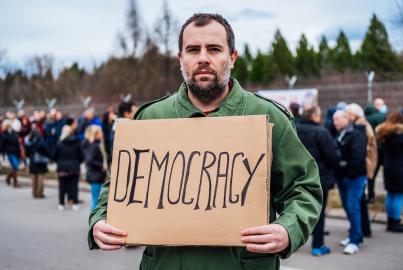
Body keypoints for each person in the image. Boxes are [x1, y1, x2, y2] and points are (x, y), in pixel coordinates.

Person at [88, 13, 322, 270]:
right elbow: (119, 187)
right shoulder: (151, 117)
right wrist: (99, 220)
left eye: (213, 49)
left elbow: (303, 188)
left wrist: (287, 229)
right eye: (192, 50)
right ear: (181, 59)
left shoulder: (268, 117)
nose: (202, 58)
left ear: (232, 57)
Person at [296, 106, 340, 256]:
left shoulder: (294, 128)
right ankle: (317, 245)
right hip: (319, 178)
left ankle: (293, 242)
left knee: (295, 209)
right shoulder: (321, 132)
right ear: (314, 116)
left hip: (297, 176)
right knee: (318, 212)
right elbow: (333, 156)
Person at [333, 110, 367, 255]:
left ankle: (354, 242)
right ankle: (356, 235)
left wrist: (342, 166)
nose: (335, 122)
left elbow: (358, 158)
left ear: (347, 119)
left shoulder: (357, 134)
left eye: (337, 119)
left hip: (354, 178)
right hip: (342, 178)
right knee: (348, 208)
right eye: (334, 120)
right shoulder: (339, 133)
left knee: (353, 208)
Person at [346, 103, 378, 237]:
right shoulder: (359, 124)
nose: (347, 116)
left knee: (360, 202)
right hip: (362, 166)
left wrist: (369, 167)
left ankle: (363, 230)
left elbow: (371, 148)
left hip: (362, 166)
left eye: (348, 113)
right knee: (360, 201)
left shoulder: (362, 125)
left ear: (354, 115)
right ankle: (363, 229)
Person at [376, 112, 403, 232]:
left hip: (387, 167)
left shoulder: (384, 134)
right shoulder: (400, 135)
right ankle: (396, 223)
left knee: (390, 194)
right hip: (399, 167)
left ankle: (390, 222)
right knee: (398, 195)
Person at [53, 124, 84, 211]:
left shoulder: (59, 143)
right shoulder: (77, 143)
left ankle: (61, 203)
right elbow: (82, 156)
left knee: (62, 186)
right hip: (74, 168)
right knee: (74, 186)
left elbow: (54, 156)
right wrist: (77, 162)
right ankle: (75, 203)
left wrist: (60, 162)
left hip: (62, 168)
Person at [82, 125, 107, 210]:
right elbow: (89, 161)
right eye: (100, 132)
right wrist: (101, 166)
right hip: (95, 175)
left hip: (95, 174)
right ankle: (93, 221)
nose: (102, 134)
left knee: (96, 199)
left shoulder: (95, 144)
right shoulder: (94, 146)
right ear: (95, 134)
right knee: (96, 201)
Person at [25, 128, 50, 198]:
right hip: (40, 161)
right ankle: (40, 193)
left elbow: (27, 152)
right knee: (40, 177)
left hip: (32, 161)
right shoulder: (40, 141)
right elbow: (45, 150)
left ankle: (34, 193)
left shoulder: (29, 141)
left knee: (33, 177)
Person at [0, 119, 22, 188]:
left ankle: (8, 178)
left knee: (15, 167)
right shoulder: (4, 134)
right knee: (15, 166)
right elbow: (1, 144)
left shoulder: (14, 132)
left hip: (17, 152)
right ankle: (16, 182)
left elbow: (18, 142)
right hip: (10, 152)